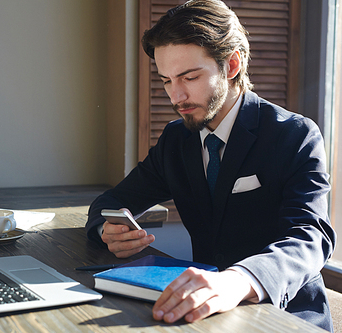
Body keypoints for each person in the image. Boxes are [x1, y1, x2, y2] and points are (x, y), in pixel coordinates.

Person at [85, 0, 336, 331]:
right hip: (203, 316)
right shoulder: (176, 140)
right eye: (166, 81)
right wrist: (109, 231)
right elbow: (110, 203)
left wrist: (238, 280)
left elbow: (310, 236)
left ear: (232, 65)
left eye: (189, 77)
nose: (176, 97)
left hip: (285, 315)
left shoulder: (294, 134)